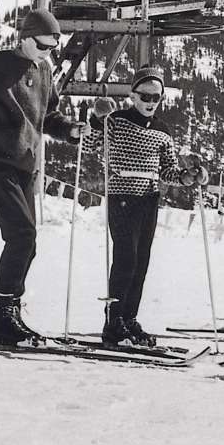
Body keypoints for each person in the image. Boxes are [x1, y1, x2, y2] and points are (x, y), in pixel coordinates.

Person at [0, 6, 79, 346]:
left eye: (52, 48)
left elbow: (50, 116)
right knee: (21, 235)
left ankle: (9, 312)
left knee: (28, 244)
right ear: (25, 38)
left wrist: (70, 130)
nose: (48, 53)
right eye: (42, 46)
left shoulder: (43, 70)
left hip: (25, 165)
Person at [81, 68, 188, 348]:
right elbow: (89, 145)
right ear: (133, 95)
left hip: (149, 198)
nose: (151, 102)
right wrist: (97, 119)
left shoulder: (163, 131)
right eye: (145, 96)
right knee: (126, 258)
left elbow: (168, 170)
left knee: (141, 261)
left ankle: (129, 318)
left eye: (156, 97)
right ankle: (114, 321)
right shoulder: (116, 121)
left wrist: (186, 177)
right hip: (122, 194)